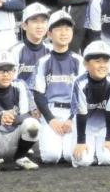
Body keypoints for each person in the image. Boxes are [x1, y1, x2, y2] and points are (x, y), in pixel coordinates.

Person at [33, 10, 85, 165]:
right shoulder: (43, 61)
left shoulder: (79, 61)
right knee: (51, 157)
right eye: (59, 29)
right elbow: (39, 94)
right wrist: (51, 119)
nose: (64, 33)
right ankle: (58, 145)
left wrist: (71, 119)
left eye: (67, 29)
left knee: (72, 157)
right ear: (49, 34)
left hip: (73, 113)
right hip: (52, 111)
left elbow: (82, 95)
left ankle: (65, 146)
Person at [0, 50, 40, 172]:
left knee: (33, 125)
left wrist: (14, 118)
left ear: (15, 72)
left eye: (9, 70)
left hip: (16, 138)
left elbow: (31, 114)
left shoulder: (20, 85)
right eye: (1, 70)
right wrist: (0, 118)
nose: (6, 74)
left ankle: (21, 157)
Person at [67, 41, 110, 167]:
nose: (103, 65)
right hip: (86, 125)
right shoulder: (80, 82)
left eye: (106, 61)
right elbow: (81, 114)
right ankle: (93, 153)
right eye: (97, 61)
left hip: (106, 125)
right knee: (82, 161)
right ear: (86, 64)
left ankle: (98, 152)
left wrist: (109, 139)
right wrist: (81, 141)